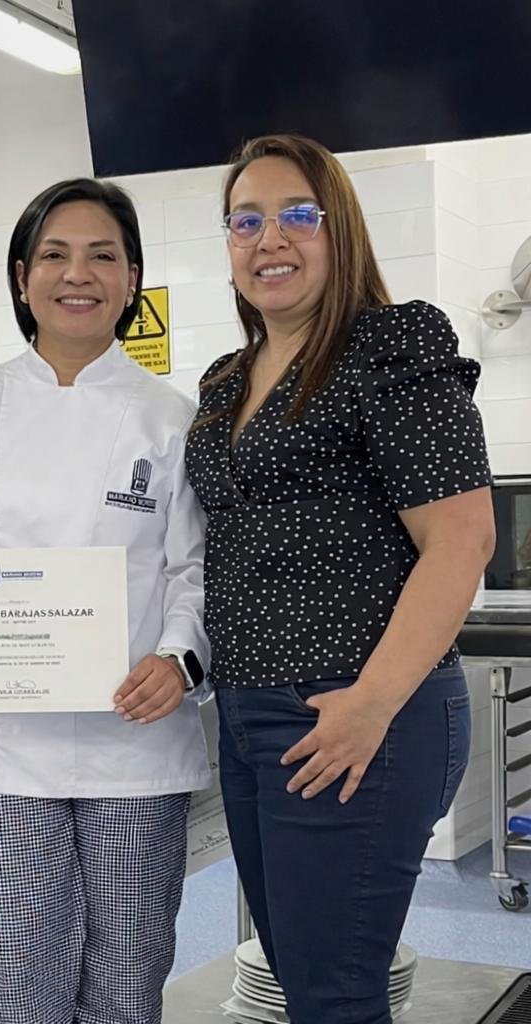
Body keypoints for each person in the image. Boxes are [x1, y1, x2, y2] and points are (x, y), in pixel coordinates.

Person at [0, 178, 210, 1024]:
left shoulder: (173, 420)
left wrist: (179, 659)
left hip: (135, 740)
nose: (77, 274)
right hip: (7, 744)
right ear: (23, 278)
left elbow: (194, 567)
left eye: (103, 255)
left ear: (131, 280)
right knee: (13, 972)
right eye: (54, 254)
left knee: (127, 973)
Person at [183, 134, 496, 1024]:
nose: (268, 237)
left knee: (335, 993)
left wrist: (369, 704)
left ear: (340, 229)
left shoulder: (390, 349)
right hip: (249, 715)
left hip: (356, 708)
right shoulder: (226, 379)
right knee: (301, 976)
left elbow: (462, 538)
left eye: (296, 215)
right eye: (246, 220)